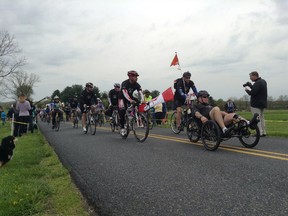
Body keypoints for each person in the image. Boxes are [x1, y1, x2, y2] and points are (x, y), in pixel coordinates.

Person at [193, 90, 259, 135]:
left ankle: (247, 123)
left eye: (207, 97)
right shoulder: (196, 105)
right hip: (209, 123)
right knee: (216, 108)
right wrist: (201, 117)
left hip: (219, 121)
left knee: (232, 115)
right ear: (199, 98)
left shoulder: (209, 105)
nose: (207, 98)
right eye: (204, 97)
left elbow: (219, 112)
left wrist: (227, 115)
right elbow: (196, 113)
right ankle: (224, 129)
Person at [118, 70, 144, 136]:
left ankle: (136, 118)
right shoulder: (124, 83)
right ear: (130, 77)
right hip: (122, 98)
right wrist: (130, 100)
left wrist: (142, 100)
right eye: (135, 76)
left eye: (137, 76)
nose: (137, 78)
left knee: (137, 102)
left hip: (130, 97)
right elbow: (125, 93)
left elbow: (140, 92)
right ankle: (122, 128)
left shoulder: (137, 84)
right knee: (122, 111)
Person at [244, 71, 267, 137]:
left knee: (256, 118)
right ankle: (263, 132)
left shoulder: (257, 83)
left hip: (256, 104)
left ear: (254, 76)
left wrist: (247, 90)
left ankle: (259, 132)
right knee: (262, 117)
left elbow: (253, 93)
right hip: (263, 103)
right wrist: (251, 86)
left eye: (250, 76)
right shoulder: (263, 81)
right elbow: (257, 90)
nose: (250, 78)